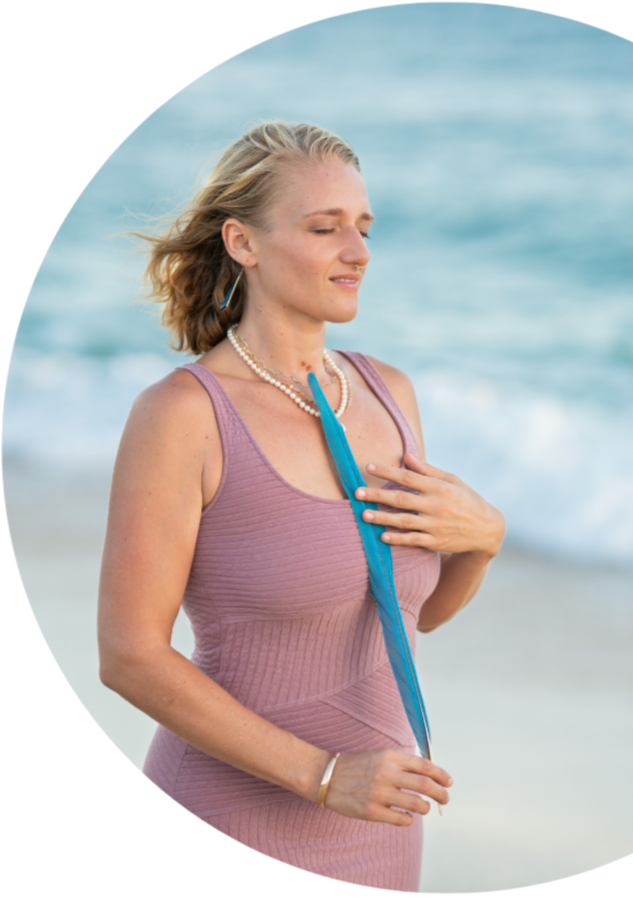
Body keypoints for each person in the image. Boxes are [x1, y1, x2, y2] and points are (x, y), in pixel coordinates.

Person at [97, 121, 505, 891]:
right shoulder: (184, 415)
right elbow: (129, 655)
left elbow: (404, 613)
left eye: (363, 227)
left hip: (379, 829)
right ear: (243, 243)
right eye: (326, 228)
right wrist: (322, 774)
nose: (359, 251)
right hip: (226, 822)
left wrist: (482, 544)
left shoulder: (389, 395)